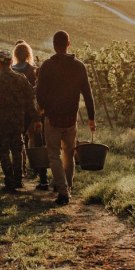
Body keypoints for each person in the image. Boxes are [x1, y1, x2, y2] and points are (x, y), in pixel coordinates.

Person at [35, 30, 96, 205]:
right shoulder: (79, 66)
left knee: (54, 155)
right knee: (69, 154)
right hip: (71, 119)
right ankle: (67, 186)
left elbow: (39, 93)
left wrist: (45, 108)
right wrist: (91, 118)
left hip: (52, 119)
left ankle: (63, 191)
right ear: (68, 44)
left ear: (54, 46)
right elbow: (88, 94)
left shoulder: (47, 66)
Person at [0, 50, 39, 192]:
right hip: (18, 120)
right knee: (17, 150)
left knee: (2, 151)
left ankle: (9, 179)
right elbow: (30, 100)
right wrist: (35, 118)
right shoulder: (21, 78)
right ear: (11, 62)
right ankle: (18, 180)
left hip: (0, 120)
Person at [13, 40, 49, 190]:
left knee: (17, 143)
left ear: (15, 54)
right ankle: (42, 177)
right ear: (28, 54)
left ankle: (20, 173)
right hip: (33, 111)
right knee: (38, 143)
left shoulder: (11, 71)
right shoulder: (34, 70)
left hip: (16, 111)